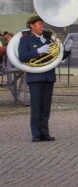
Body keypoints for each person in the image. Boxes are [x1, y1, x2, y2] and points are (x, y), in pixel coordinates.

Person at [20, 14, 68, 142]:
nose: (42, 26)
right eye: (39, 24)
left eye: (42, 23)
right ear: (31, 25)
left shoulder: (49, 39)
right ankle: (36, 134)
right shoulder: (26, 40)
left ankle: (45, 133)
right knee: (36, 106)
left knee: (46, 107)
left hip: (48, 76)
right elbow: (22, 56)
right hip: (35, 77)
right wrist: (38, 51)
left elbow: (57, 57)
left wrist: (66, 50)